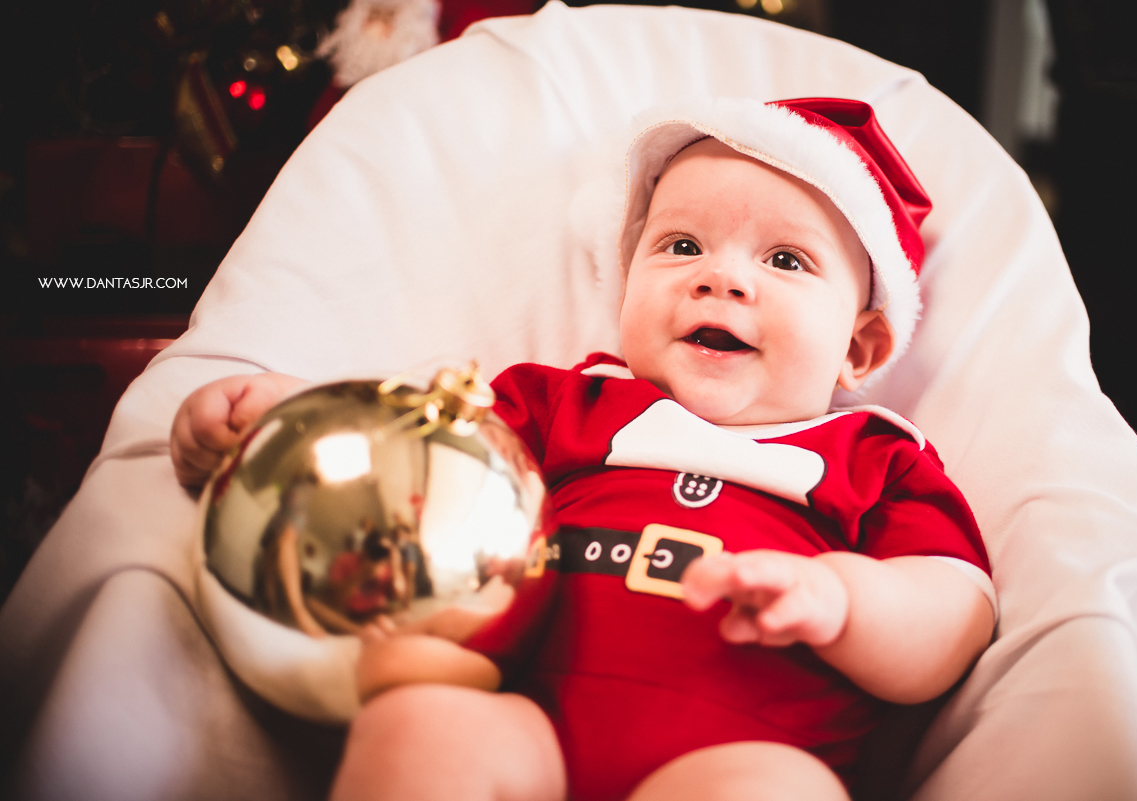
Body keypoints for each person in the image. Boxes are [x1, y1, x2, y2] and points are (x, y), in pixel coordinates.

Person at [170, 97, 996, 801]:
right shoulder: (564, 401)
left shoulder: (877, 457)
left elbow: (954, 615)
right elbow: (408, 452)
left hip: (731, 756)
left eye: (785, 259)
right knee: (422, 721)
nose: (721, 279)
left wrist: (843, 599)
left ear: (860, 347)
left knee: (781, 791)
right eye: (681, 246)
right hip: (522, 729)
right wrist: (287, 423)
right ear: (626, 282)